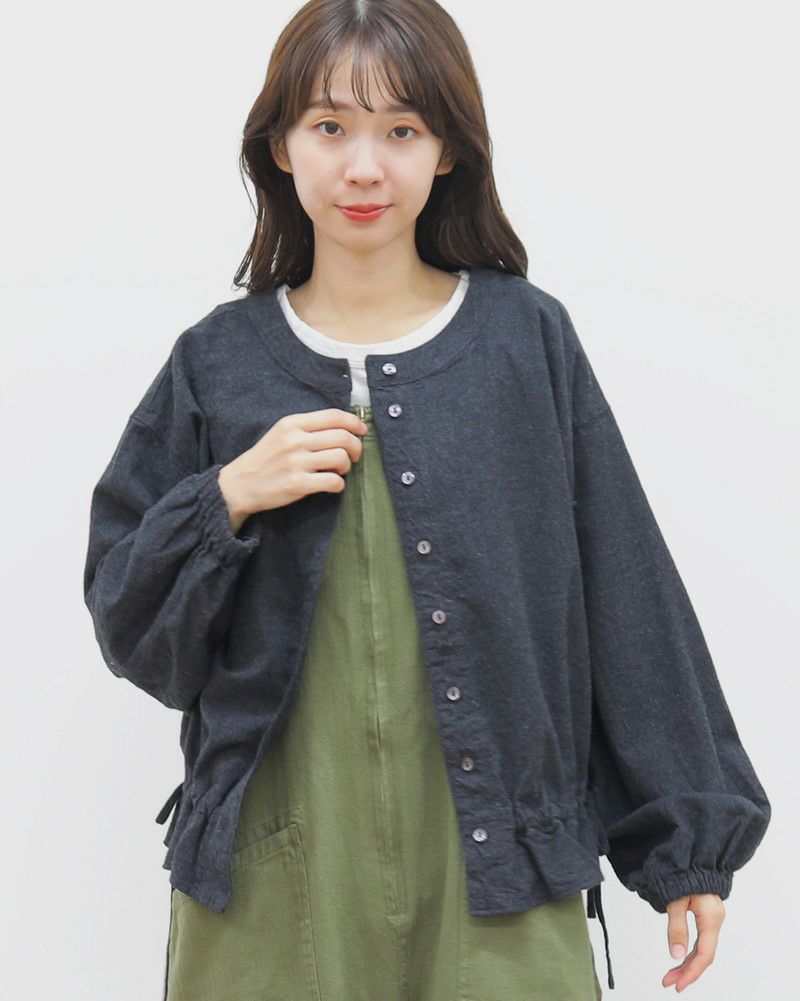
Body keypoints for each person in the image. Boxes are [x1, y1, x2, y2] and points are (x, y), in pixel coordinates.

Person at [82, 2, 771, 999]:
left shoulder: (522, 341)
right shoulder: (216, 363)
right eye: (330, 126)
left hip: (500, 867)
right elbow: (133, 633)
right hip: (274, 879)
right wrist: (224, 498)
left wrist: (686, 842)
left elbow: (627, 594)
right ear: (279, 146)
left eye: (400, 130)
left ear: (447, 150)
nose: (364, 167)